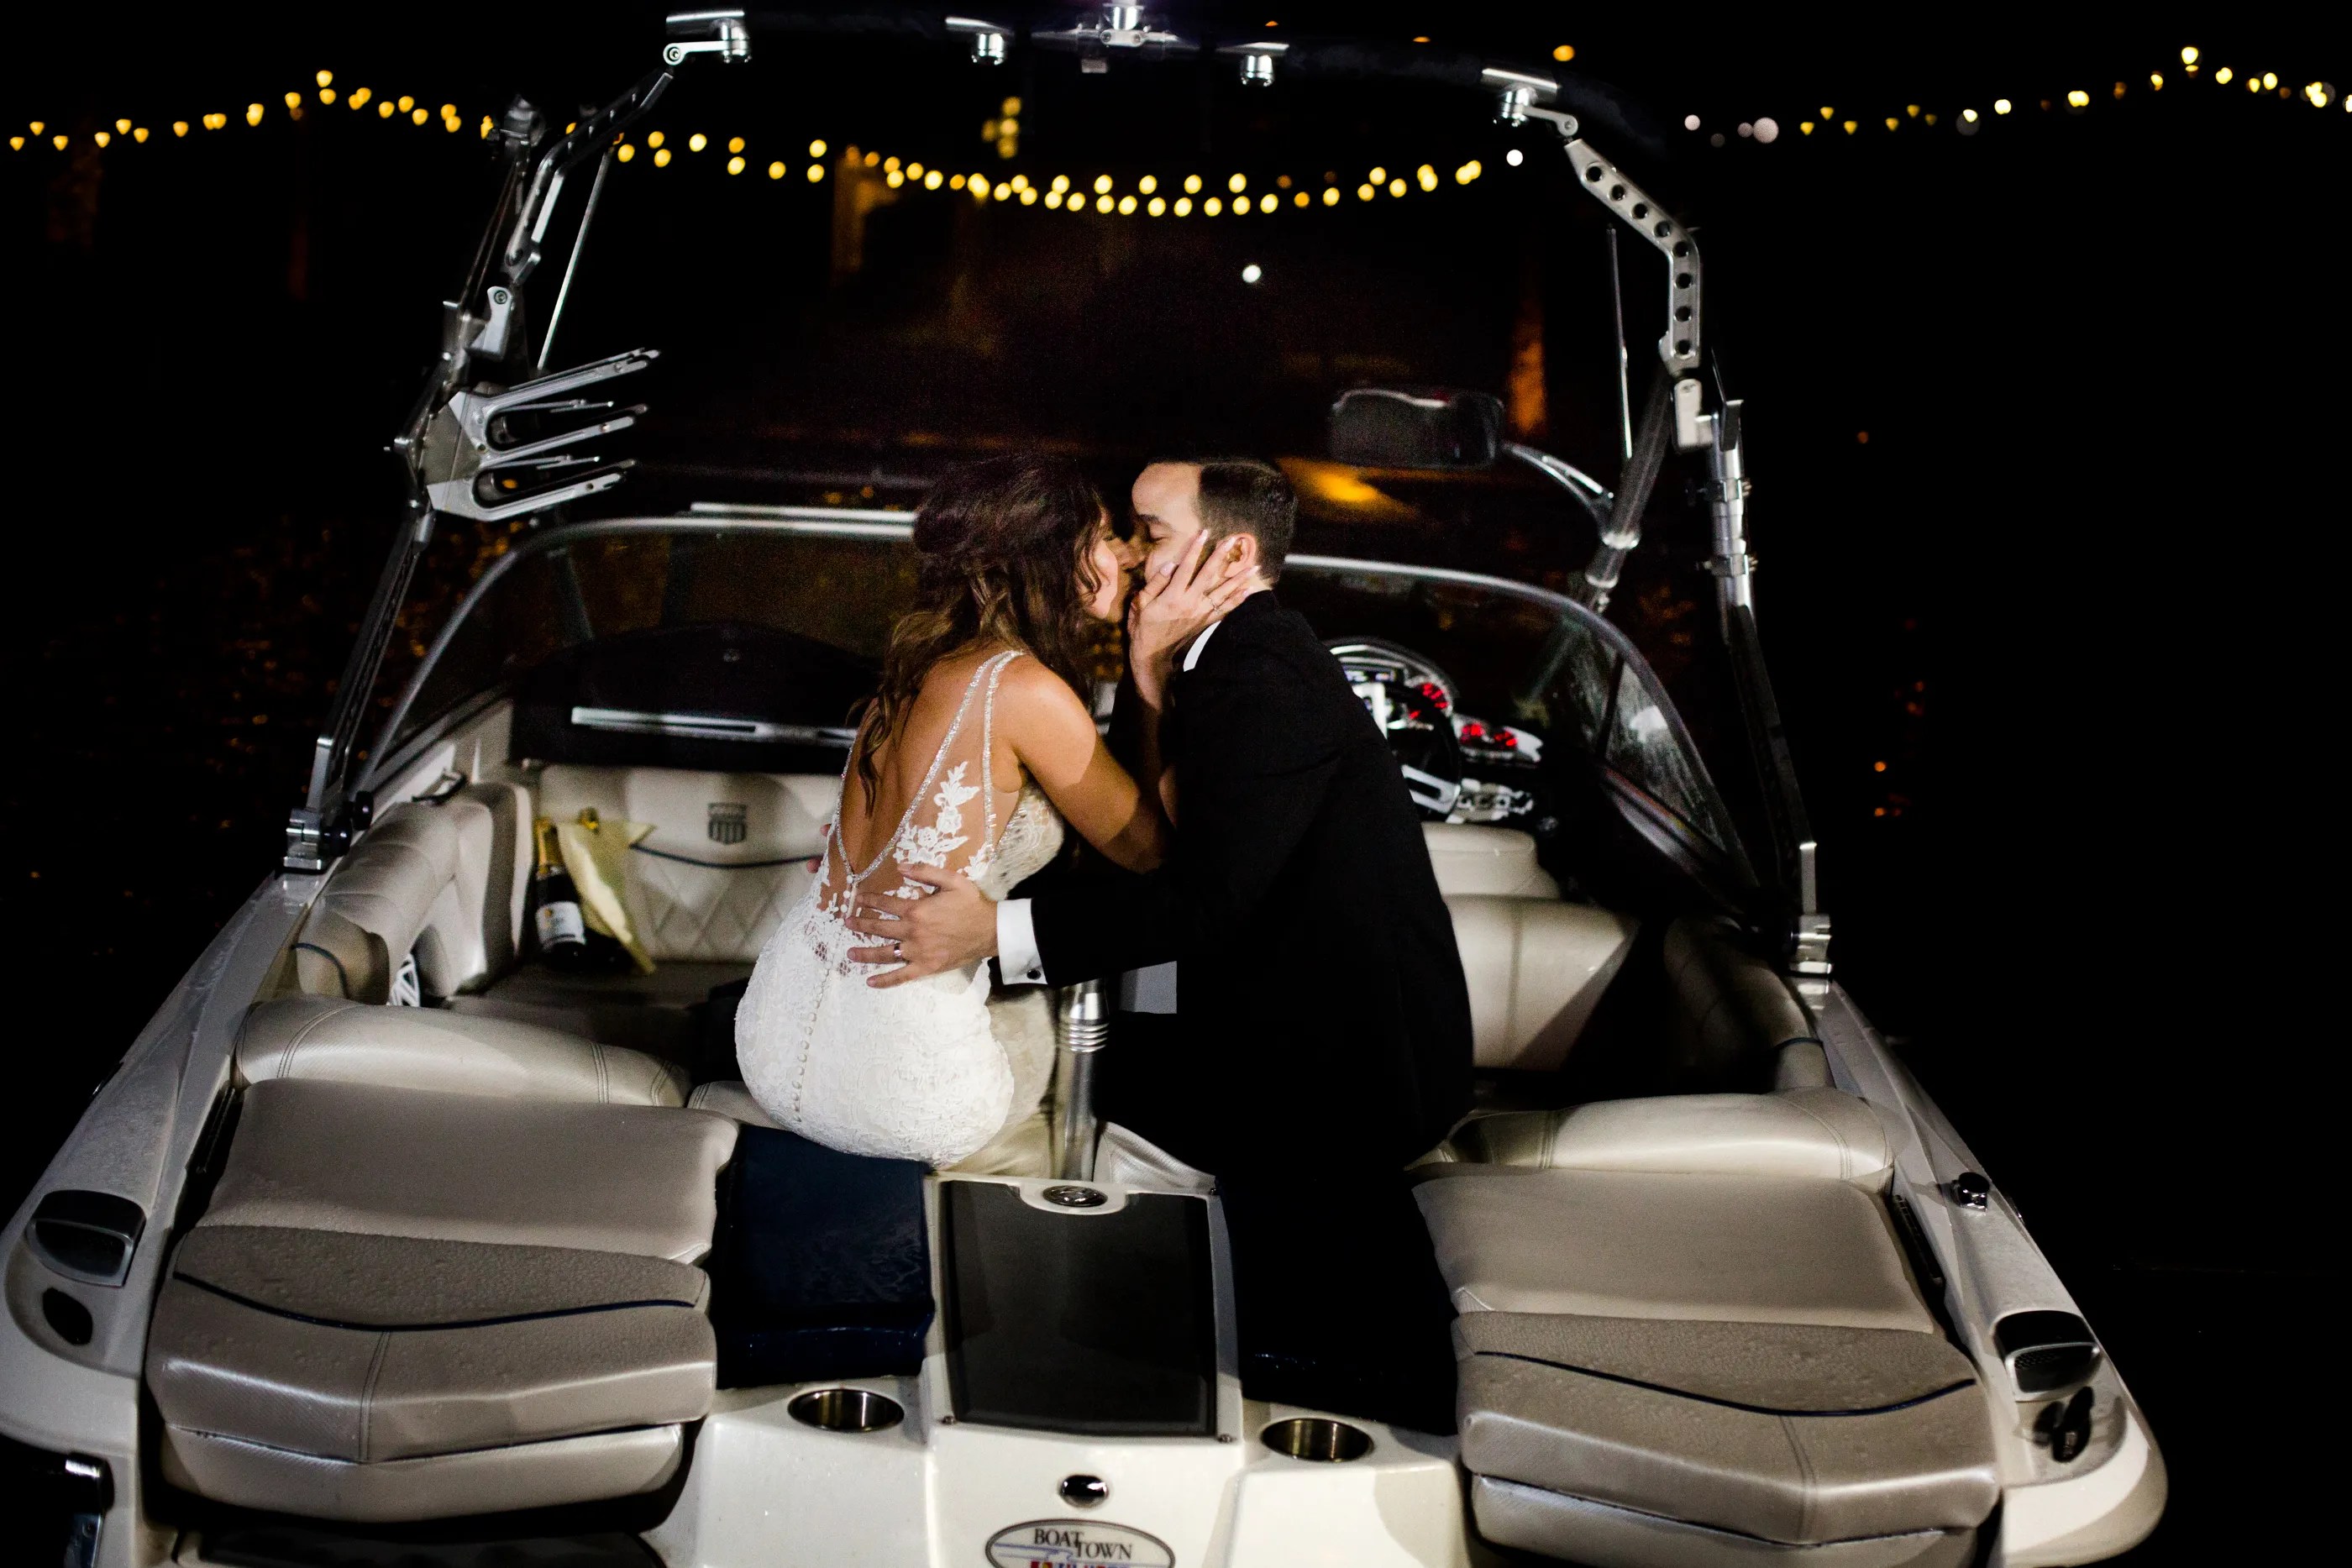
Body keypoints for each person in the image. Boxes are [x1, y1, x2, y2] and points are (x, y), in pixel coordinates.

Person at [849, 458, 1474, 1432]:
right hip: (1266, 1012)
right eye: (1127, 533)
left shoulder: (1262, 671)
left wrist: (992, 932)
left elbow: (1198, 897)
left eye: (1151, 531)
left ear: (1232, 551)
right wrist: (1147, 672)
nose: (1136, 556)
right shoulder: (1224, 658)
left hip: (1345, 1063)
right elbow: (1170, 837)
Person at [733, 454, 1248, 1167]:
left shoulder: (910, 673)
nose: (1131, 555)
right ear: (1050, 556)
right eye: (1107, 536)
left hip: (774, 1033)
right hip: (897, 1084)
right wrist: (1152, 667)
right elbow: (1156, 853)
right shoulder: (1024, 690)